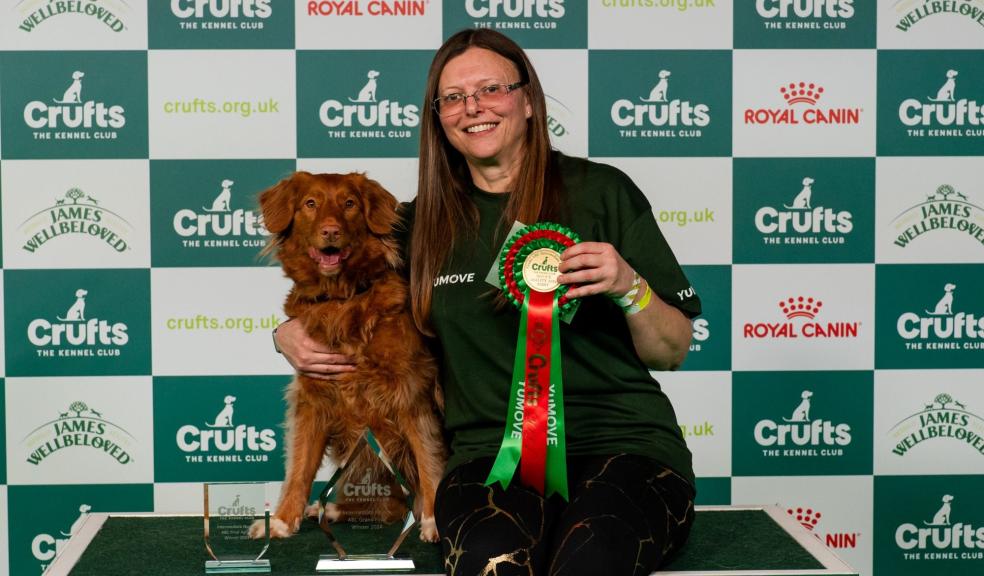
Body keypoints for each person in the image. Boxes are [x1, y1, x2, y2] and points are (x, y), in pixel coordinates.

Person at [275, 28, 701, 576]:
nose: (472, 108)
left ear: (527, 100)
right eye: (453, 97)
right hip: (484, 459)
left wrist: (629, 285)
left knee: (591, 557)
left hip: (625, 443)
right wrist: (285, 333)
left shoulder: (602, 191)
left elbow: (673, 350)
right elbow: (329, 277)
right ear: (439, 117)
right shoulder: (414, 224)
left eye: (491, 89)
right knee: (490, 561)